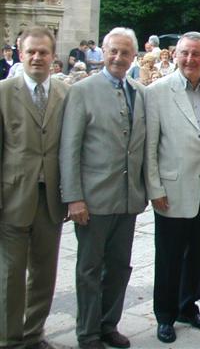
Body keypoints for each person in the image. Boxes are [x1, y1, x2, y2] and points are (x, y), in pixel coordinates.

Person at [60, 27, 146, 349]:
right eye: (113, 51)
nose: (118, 58)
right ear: (102, 52)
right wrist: (73, 198)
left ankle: (109, 323)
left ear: (133, 57)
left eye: (125, 53)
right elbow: (70, 147)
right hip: (93, 200)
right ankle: (88, 333)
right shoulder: (82, 91)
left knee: (120, 267)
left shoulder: (139, 91)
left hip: (127, 200)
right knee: (89, 269)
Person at [145, 32, 200, 343]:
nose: (190, 60)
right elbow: (150, 146)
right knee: (169, 256)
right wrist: (154, 188)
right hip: (171, 190)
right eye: (185, 54)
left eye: (197, 54)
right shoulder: (157, 92)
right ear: (175, 55)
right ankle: (165, 315)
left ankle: (188, 305)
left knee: (197, 253)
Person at [0, 28, 69, 349]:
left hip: (50, 199)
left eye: (43, 52)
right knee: (11, 275)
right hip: (12, 197)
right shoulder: (3, 92)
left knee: (44, 273)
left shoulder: (64, 93)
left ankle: (33, 334)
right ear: (19, 53)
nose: (37, 57)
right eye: (31, 52)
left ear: (54, 57)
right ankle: (10, 339)